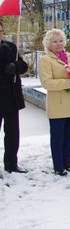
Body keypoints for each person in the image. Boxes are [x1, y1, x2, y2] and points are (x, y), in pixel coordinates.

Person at [38, 29, 70, 175]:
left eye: (60, 41)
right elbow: (47, 83)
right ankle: (58, 165)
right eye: (54, 41)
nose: (58, 44)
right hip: (58, 104)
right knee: (58, 137)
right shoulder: (45, 60)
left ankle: (67, 161)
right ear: (48, 44)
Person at [0, 20, 28, 174]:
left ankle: (11, 164)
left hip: (11, 96)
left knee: (12, 133)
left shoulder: (11, 46)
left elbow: (23, 66)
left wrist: (15, 67)